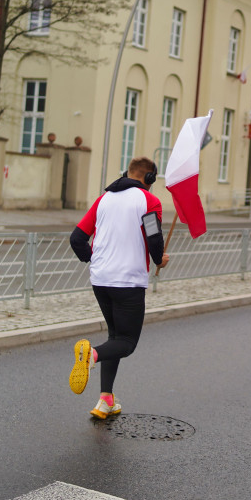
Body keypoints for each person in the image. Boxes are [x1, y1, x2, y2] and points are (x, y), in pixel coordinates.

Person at [68, 156, 170, 419]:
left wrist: (95, 259)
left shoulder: (103, 199)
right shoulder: (149, 201)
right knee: (126, 342)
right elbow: (154, 238)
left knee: (115, 337)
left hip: (100, 279)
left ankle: (106, 400)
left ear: (127, 173)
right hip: (128, 281)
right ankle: (90, 355)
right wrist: (159, 260)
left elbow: (77, 238)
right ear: (149, 178)